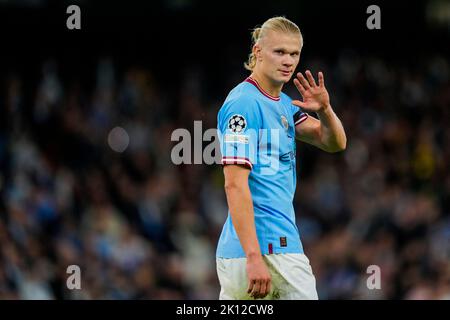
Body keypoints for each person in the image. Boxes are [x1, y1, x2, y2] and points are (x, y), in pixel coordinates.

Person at [216, 16, 347, 300]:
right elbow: (234, 184)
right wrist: (253, 256)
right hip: (268, 250)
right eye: (280, 52)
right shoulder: (244, 103)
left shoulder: (284, 105)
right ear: (258, 52)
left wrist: (325, 109)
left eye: (294, 53)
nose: (288, 60)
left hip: (255, 251)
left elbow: (334, 142)